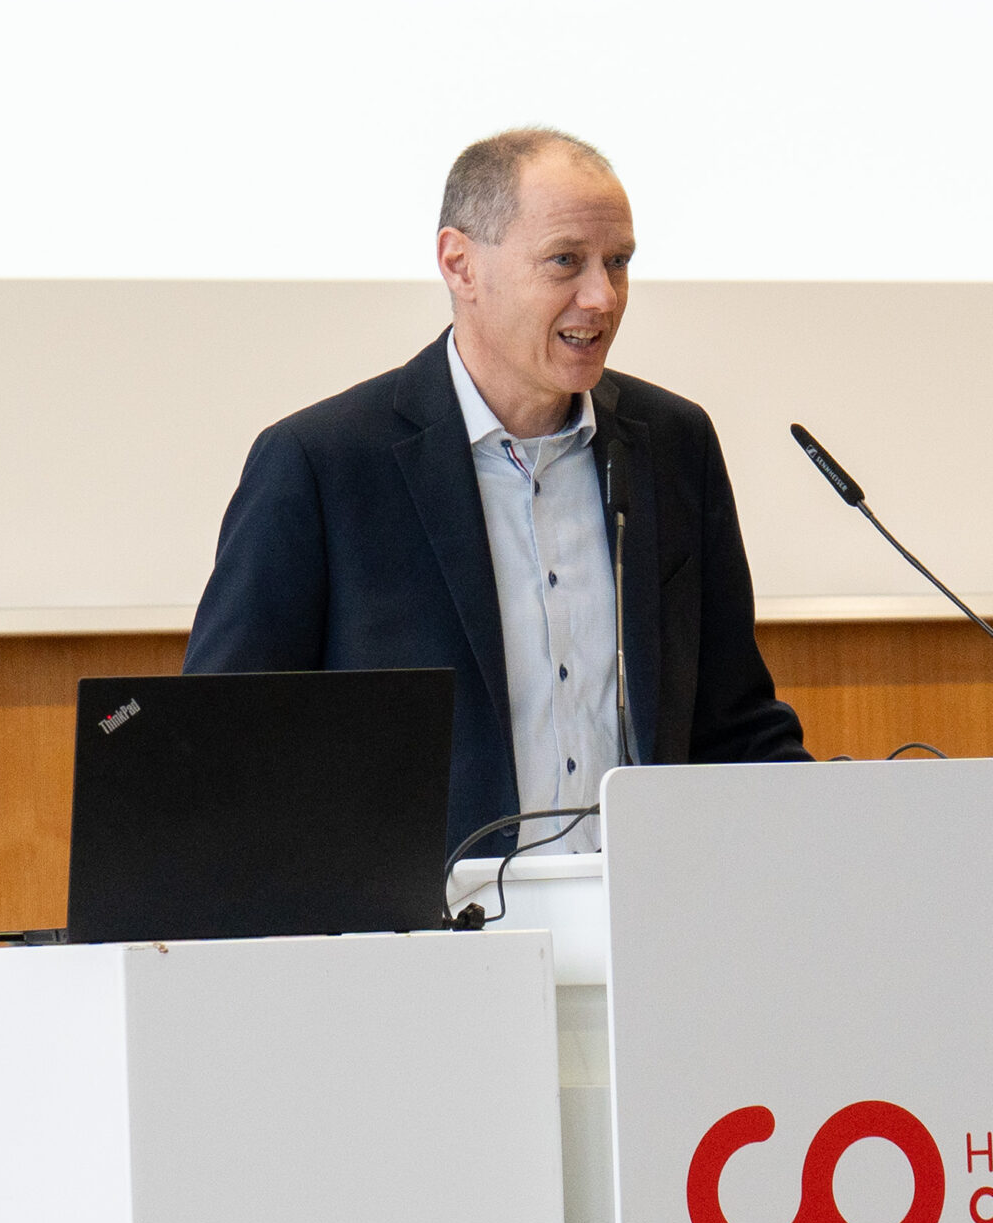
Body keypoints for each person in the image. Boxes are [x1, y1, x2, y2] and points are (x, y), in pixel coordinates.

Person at [185, 128, 809, 856]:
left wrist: (830, 830)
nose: (602, 298)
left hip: (648, 929)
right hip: (433, 945)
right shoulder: (323, 466)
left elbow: (732, 722)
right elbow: (223, 746)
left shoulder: (672, 445)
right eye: (565, 262)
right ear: (460, 264)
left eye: (618, 262)